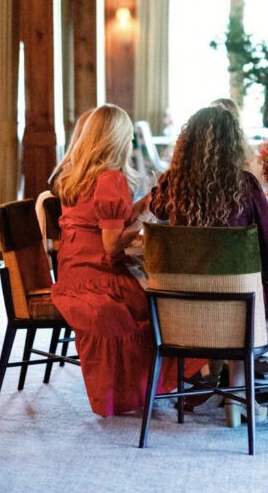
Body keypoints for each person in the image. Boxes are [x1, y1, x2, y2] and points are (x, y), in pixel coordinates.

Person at [51, 104, 203, 417]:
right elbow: (110, 244)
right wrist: (144, 220)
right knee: (164, 301)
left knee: (153, 292)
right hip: (100, 280)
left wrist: (142, 205)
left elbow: (104, 224)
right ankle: (190, 378)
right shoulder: (110, 180)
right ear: (119, 139)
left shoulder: (76, 177)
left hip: (73, 277)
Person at [150, 105, 268, 427]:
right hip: (238, 315)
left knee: (228, 291)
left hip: (179, 318)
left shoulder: (172, 185)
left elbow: (156, 209)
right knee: (260, 286)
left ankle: (215, 383)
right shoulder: (246, 186)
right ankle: (238, 395)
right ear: (233, 144)